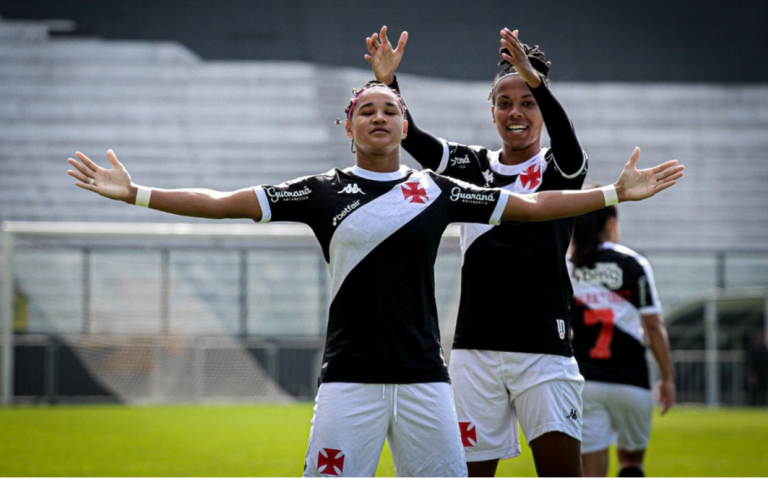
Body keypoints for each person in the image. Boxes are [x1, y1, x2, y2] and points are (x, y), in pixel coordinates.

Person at [66, 82, 682, 477]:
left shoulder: (439, 189)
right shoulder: (319, 190)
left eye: (390, 108)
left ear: (404, 123)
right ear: (349, 126)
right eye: (367, 110)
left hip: (426, 382)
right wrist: (138, 194)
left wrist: (609, 193)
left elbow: (532, 207)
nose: (379, 117)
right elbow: (222, 201)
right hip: (349, 379)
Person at [365, 26, 591, 476]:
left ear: (542, 111)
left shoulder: (557, 167)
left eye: (527, 102)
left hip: (544, 349)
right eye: (504, 103)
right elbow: (414, 139)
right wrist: (389, 84)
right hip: (475, 351)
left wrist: (536, 82)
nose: (516, 112)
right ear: (492, 113)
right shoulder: (473, 165)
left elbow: (568, 144)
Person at [568, 199, 676, 477]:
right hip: (631, 380)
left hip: (585, 382)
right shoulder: (633, 264)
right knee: (630, 461)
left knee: (591, 468)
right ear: (612, 225)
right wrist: (668, 378)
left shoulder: (568, 267)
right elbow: (653, 326)